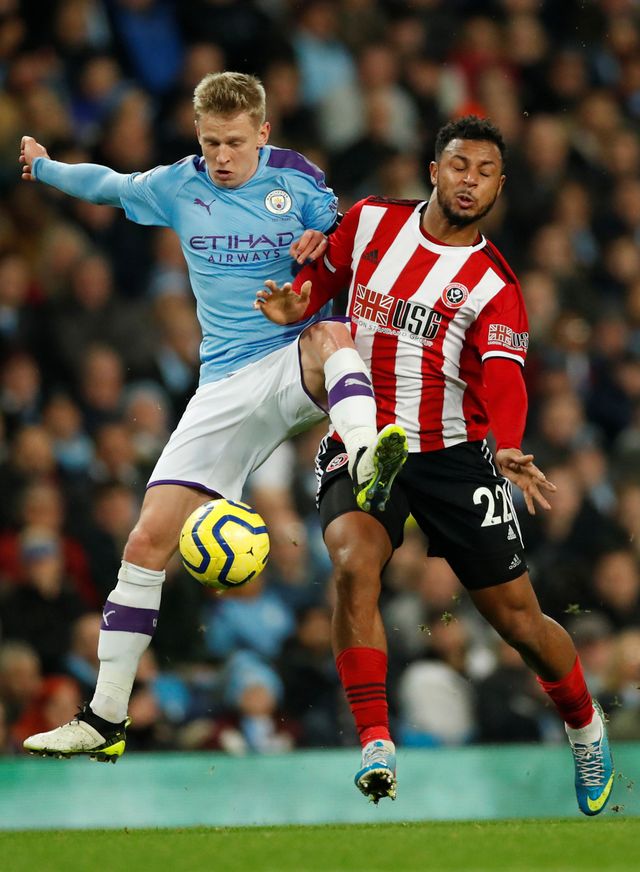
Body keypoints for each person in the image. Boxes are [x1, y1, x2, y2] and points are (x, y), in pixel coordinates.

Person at [21, 71, 407, 762]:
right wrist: (43, 166)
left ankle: (366, 452)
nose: (221, 157)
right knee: (144, 543)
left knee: (330, 337)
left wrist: (324, 253)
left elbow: (357, 255)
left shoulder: (302, 184)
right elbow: (108, 184)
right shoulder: (180, 184)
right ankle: (106, 719)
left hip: (295, 359)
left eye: (234, 142)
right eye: (209, 143)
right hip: (224, 385)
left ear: (262, 133)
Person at [255, 115, 614, 816]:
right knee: (354, 563)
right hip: (363, 435)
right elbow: (317, 282)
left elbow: (506, 378)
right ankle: (376, 742)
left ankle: (583, 723)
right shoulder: (369, 224)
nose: (469, 181)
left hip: (453, 456)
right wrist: (294, 299)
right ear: (434, 169)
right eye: (459, 166)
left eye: (484, 172)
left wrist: (507, 442)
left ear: (500, 187)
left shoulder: (494, 285)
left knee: (518, 621)